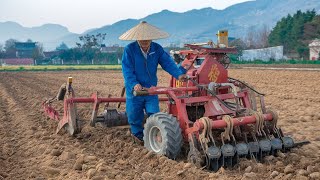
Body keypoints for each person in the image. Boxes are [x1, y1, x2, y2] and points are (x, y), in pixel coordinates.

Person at [119, 21, 187, 144]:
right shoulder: (130, 50)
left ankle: (154, 136)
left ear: (151, 38)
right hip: (135, 90)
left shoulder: (157, 49)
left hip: (151, 89)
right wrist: (134, 83)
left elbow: (167, 63)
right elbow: (127, 70)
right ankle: (137, 135)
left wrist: (178, 74)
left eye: (147, 39)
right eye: (142, 39)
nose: (145, 41)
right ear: (137, 38)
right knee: (134, 115)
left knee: (153, 113)